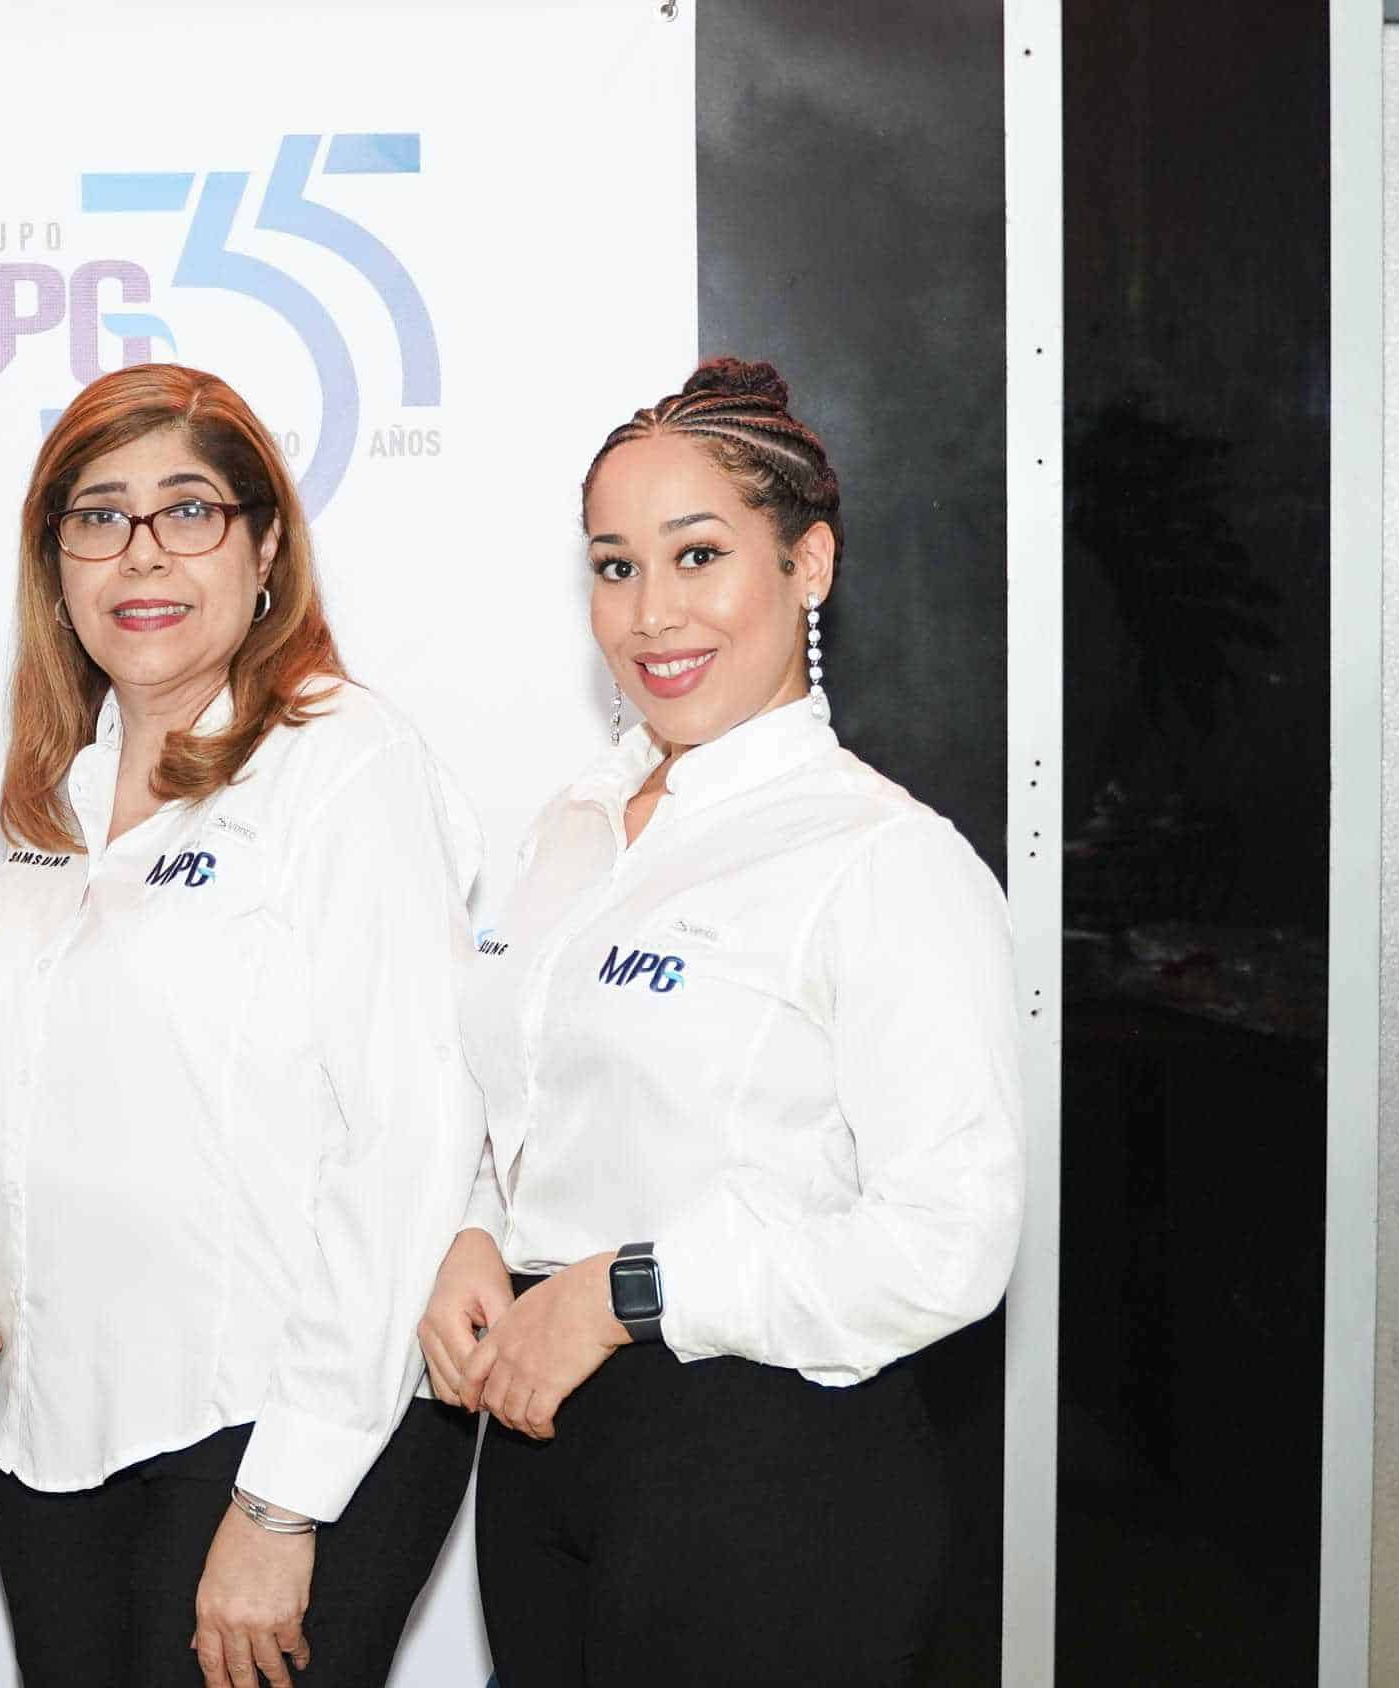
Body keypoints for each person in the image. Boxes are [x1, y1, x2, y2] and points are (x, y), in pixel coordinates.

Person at [421, 358, 1024, 1685]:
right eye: (616, 565)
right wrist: (474, 1227)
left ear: (810, 564)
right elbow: (525, 1101)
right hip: (546, 1452)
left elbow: (951, 1247)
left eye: (699, 555)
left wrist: (632, 1293)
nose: (652, 613)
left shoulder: (884, 859)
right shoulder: (575, 832)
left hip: (767, 1471)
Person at [0, 364, 485, 1688]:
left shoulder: (338, 759)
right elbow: (8, 1107)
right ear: (57, 565)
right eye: (99, 515)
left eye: (187, 509)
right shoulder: (49, 806)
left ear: (264, 548)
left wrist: (282, 1502)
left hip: (275, 1424)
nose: (141, 553)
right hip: (49, 1431)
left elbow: (409, 1139)